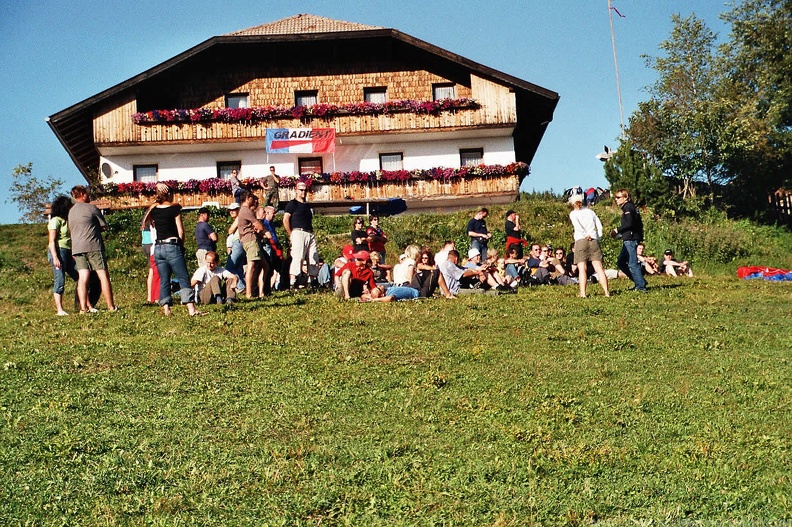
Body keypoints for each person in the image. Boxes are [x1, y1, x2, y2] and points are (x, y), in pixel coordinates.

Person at [144, 183, 201, 316]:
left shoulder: (154, 210)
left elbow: (152, 205)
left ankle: (166, 310)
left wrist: (158, 187)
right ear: (169, 194)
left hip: (158, 247)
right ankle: (191, 309)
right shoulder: (175, 209)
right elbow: (180, 231)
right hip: (172, 245)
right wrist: (181, 245)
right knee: (183, 277)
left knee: (164, 278)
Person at [67, 185, 117, 313]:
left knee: (83, 277)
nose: (89, 196)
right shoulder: (91, 208)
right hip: (93, 245)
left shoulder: (71, 212)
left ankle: (83, 308)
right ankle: (111, 306)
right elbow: (104, 226)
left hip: (77, 247)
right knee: (103, 275)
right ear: (83, 194)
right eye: (88, 194)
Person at [569, 192, 610, 297]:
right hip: (594, 240)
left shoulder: (573, 213)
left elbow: (577, 225)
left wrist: (584, 234)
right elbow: (599, 225)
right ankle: (606, 292)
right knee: (599, 268)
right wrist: (597, 237)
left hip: (581, 240)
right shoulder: (590, 212)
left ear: (573, 203)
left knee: (582, 268)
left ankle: (583, 293)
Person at [283, 181, 319, 289]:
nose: (303, 192)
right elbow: (285, 219)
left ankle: (312, 281)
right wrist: (291, 233)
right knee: (298, 257)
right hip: (298, 231)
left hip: (309, 232)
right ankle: (293, 282)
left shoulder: (307, 206)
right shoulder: (292, 204)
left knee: (313, 256)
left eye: (305, 190)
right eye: (301, 190)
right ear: (296, 190)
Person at [611, 189, 648, 293]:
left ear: (625, 198)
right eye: (616, 197)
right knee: (621, 262)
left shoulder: (628, 207)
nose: (616, 199)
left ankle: (641, 286)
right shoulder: (630, 207)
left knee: (632, 263)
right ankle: (639, 281)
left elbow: (630, 224)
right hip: (629, 238)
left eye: (618, 197)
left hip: (630, 239)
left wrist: (617, 230)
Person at [47, 195, 79, 316]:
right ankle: (59, 309)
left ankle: (82, 304)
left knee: (80, 276)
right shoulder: (55, 221)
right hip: (58, 251)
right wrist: (55, 257)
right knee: (60, 280)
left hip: (67, 252)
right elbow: (52, 241)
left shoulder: (66, 221)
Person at [237, 191, 268, 299]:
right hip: (250, 240)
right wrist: (262, 230)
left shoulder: (244, 211)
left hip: (252, 240)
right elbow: (259, 226)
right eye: (251, 198)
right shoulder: (245, 210)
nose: (254, 200)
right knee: (252, 266)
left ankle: (261, 292)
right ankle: (249, 294)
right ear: (247, 198)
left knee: (265, 266)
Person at [224, 202, 246, 293]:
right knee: (238, 267)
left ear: (238, 210)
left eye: (234, 210)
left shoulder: (239, 218)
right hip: (242, 243)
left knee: (230, 266)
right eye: (230, 210)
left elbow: (230, 230)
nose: (232, 212)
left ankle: (240, 287)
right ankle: (243, 286)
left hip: (238, 243)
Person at [141, 211, 160, 303]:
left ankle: (150, 296)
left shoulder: (145, 218)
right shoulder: (153, 220)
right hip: (151, 244)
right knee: (154, 271)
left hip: (144, 244)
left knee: (151, 271)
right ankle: (153, 296)